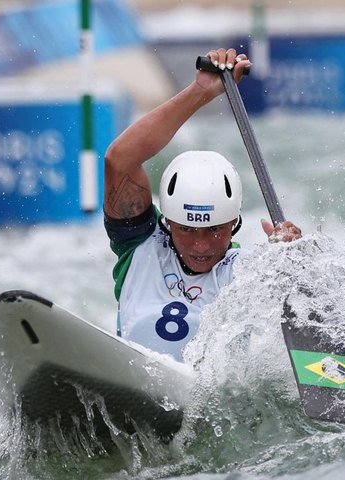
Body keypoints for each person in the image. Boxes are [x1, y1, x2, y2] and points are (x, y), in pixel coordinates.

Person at [103, 48, 302, 362]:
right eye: (186, 229)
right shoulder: (139, 246)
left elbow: (296, 301)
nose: (200, 245)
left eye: (214, 231)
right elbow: (120, 160)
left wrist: (293, 262)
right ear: (167, 222)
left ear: (233, 223)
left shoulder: (247, 273)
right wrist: (201, 92)